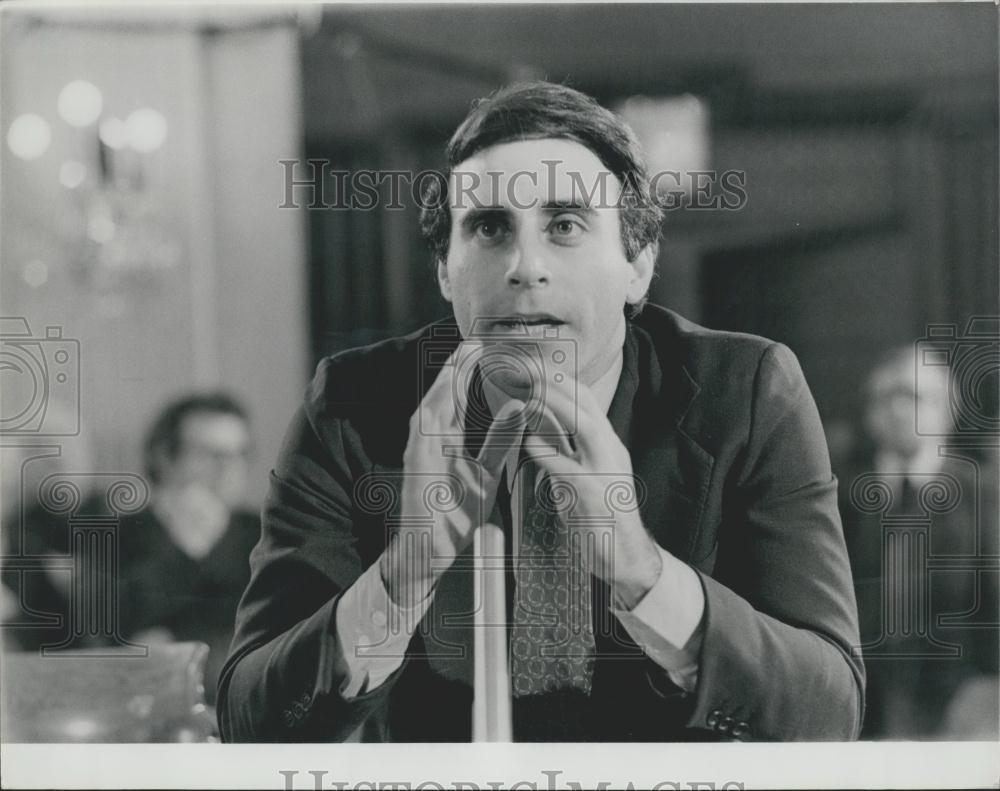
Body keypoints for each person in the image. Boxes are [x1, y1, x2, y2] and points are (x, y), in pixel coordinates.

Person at [219, 81, 864, 742]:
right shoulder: (352, 404)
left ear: (638, 266)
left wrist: (643, 570)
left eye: (565, 225)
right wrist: (402, 575)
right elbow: (251, 721)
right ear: (445, 271)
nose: (526, 267)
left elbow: (829, 712)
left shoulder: (747, 391)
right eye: (490, 227)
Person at [840, 346, 998, 739]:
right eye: (886, 396)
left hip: (959, 703)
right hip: (856, 704)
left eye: (913, 396)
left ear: (948, 410)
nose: (897, 409)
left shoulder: (983, 493)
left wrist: (989, 685)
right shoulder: (835, 493)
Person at [117, 392, 259, 704]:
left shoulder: (266, 534)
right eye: (211, 454)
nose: (229, 469)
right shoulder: (117, 537)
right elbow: (113, 638)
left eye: (239, 454)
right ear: (164, 457)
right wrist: (185, 547)